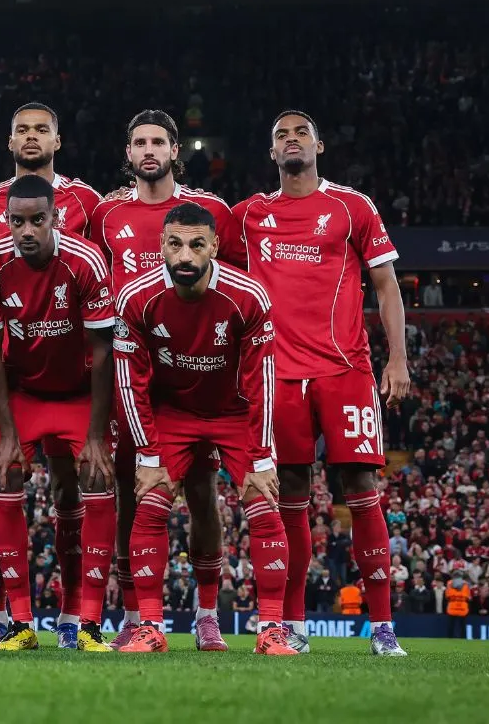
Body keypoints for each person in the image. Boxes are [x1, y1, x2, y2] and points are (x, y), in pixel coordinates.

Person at [223, 110, 411, 657]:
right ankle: (293, 625)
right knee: (292, 499)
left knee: (362, 493)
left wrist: (396, 360)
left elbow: (386, 284)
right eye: (280, 135)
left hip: (345, 371)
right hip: (276, 377)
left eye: (300, 132)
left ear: (319, 146)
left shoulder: (352, 208)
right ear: (272, 154)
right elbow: (196, 239)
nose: (290, 140)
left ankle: (383, 629)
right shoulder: (250, 215)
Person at [110, 203, 296, 656]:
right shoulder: (136, 299)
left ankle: (271, 630)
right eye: (175, 245)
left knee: (263, 501)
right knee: (150, 502)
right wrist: (149, 457)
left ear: (214, 246)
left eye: (197, 245)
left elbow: (262, 382)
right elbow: (129, 383)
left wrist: (263, 456)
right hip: (172, 414)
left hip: (233, 413)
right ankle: (150, 628)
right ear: (162, 247)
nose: (186, 256)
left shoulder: (247, 296)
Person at [87, 110, 235, 647]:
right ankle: (135, 618)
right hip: (136, 380)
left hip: (199, 379)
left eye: (159, 142)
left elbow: (233, 291)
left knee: (201, 495)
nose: (149, 151)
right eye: (139, 143)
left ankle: (207, 615)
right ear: (127, 153)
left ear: (176, 151)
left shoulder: (210, 213)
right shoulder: (106, 215)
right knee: (132, 495)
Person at [0, 174, 119, 652]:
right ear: (6, 221)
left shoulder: (86, 261)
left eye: (38, 220)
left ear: (56, 218)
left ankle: (89, 622)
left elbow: (104, 351)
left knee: (96, 478)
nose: (27, 230)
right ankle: (20, 621)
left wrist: (96, 436)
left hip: (79, 391)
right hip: (24, 392)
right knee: (6, 473)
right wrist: (8, 434)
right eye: (18, 221)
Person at [0, 102, 103, 266]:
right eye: (22, 130)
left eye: (41, 130)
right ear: (10, 142)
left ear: (57, 141)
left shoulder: (86, 199)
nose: (31, 136)